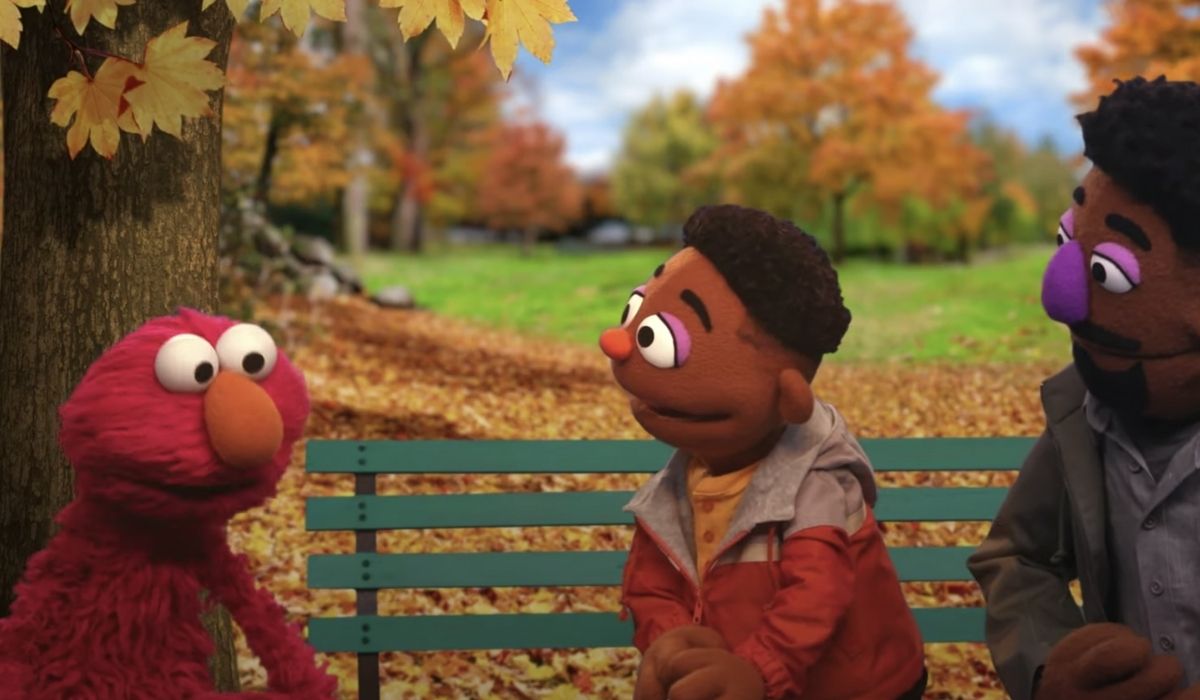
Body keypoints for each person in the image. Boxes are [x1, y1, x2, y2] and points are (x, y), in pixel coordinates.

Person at [599, 204, 926, 700]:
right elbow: (651, 582)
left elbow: (816, 598)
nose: (618, 344)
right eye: (636, 313)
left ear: (787, 396)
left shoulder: (816, 488)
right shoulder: (682, 483)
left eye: (659, 338)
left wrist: (759, 670)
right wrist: (673, 646)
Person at [968, 76, 1200, 700]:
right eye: (1071, 241)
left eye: (1110, 271)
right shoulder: (1084, 414)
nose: (1062, 298)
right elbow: (1016, 557)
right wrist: (1052, 668)